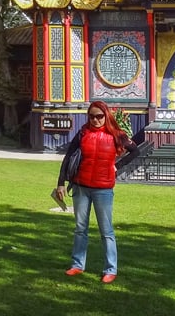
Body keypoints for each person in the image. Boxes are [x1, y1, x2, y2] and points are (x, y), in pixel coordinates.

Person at [54, 101, 138, 283]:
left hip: (103, 189)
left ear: (106, 116)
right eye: (92, 116)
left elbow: (135, 151)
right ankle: (77, 265)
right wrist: (61, 183)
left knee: (106, 231)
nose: (95, 120)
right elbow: (68, 157)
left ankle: (110, 268)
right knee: (80, 228)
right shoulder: (83, 133)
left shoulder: (117, 135)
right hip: (81, 186)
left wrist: (117, 166)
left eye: (99, 116)